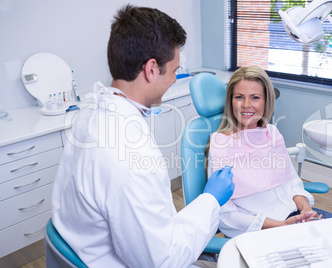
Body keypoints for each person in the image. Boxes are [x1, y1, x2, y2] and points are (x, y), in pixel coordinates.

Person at [52, 5, 234, 268]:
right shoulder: (130, 157)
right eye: (173, 70)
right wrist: (212, 200)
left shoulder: (90, 116)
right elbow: (163, 260)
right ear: (151, 69)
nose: (175, 79)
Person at [207, 66, 332, 239]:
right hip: (259, 230)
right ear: (230, 101)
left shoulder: (272, 133)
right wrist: (281, 226)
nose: (246, 105)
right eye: (239, 97)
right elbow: (225, 215)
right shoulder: (221, 145)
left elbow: (291, 182)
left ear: (267, 101)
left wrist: (306, 209)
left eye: (255, 98)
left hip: (293, 216)